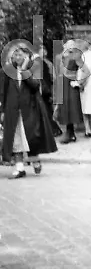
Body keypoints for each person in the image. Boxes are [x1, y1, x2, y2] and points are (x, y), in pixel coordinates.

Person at [1, 45, 58, 179]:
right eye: (15, 55)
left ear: (26, 56)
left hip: (30, 109)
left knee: (30, 137)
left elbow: (35, 86)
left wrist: (25, 70)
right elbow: (3, 92)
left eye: (20, 55)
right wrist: (2, 111)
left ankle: (35, 159)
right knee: (16, 139)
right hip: (12, 110)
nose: (17, 57)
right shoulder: (7, 71)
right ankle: (19, 168)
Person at [58, 40, 84, 143]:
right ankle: (70, 133)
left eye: (72, 46)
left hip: (71, 85)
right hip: (63, 85)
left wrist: (79, 82)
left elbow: (85, 70)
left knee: (71, 109)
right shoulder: (62, 57)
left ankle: (69, 134)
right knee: (65, 109)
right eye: (68, 46)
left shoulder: (76, 57)